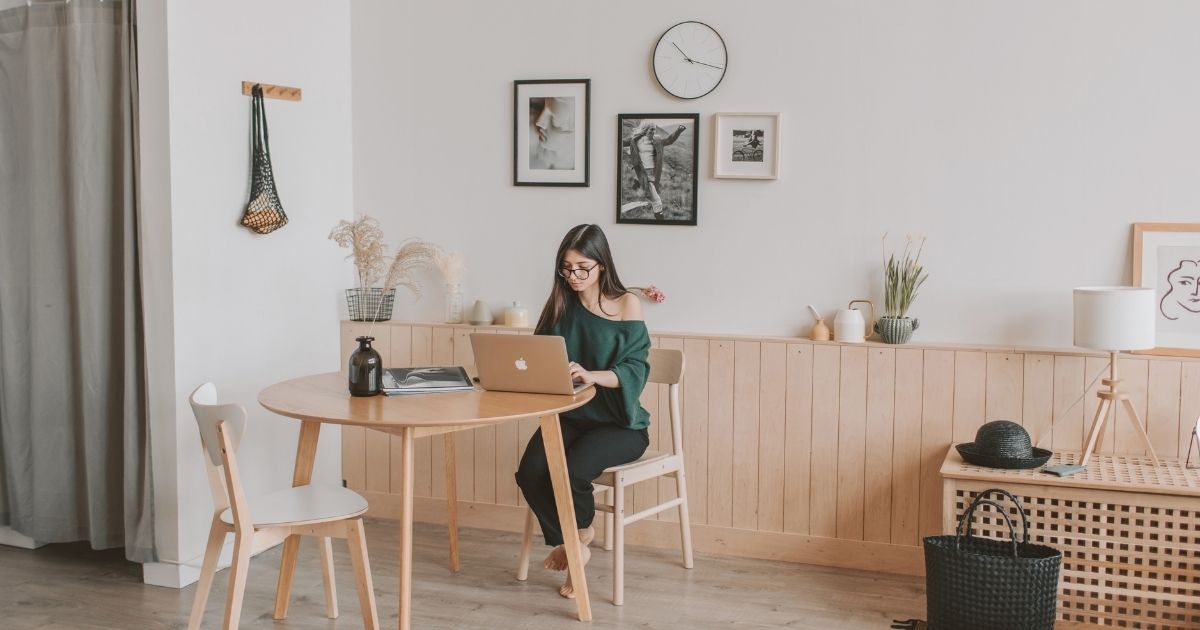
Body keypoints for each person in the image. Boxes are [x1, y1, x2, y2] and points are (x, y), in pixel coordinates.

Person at [514, 223, 651, 599]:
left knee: (573, 471)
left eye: (582, 268)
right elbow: (536, 356)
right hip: (571, 417)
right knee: (530, 473)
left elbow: (636, 368)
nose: (573, 276)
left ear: (601, 264)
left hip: (620, 425)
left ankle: (576, 545)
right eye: (566, 268)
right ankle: (577, 539)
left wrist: (591, 375)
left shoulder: (626, 304)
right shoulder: (561, 304)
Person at [628, 120, 686, 220]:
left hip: (654, 173)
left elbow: (669, 140)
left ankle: (637, 184)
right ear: (645, 130)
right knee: (656, 200)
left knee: (652, 193)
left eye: (654, 129)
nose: (653, 131)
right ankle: (660, 219)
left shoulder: (657, 140)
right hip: (643, 172)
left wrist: (678, 131)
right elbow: (620, 141)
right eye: (651, 129)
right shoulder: (636, 140)